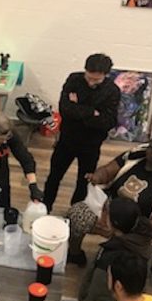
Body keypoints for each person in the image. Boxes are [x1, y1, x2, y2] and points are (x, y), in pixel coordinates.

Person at [66, 129, 152, 267]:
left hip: (142, 227)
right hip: (109, 211)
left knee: (122, 266)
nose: (149, 153)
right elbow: (108, 170)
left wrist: (120, 230)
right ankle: (74, 254)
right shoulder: (138, 153)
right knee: (76, 213)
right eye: (150, 147)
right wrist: (97, 177)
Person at [43, 54, 120, 213]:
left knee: (83, 182)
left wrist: (78, 109)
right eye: (89, 78)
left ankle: (74, 213)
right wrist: (93, 112)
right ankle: (45, 207)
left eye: (96, 80)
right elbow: (65, 109)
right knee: (54, 177)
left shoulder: (112, 91)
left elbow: (108, 122)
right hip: (67, 140)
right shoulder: (74, 79)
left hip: (91, 145)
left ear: (105, 75)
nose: (91, 82)